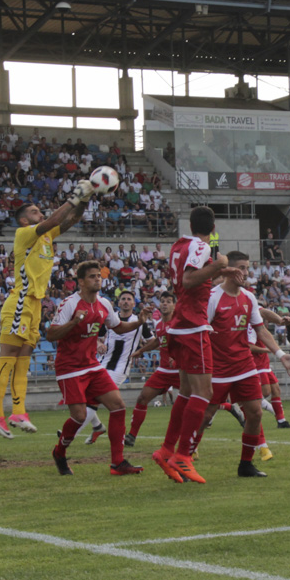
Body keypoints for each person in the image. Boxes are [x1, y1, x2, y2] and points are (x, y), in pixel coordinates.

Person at [0, 179, 93, 438]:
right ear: (24, 220)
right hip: (19, 301)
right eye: (34, 212)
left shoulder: (46, 236)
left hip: (34, 304)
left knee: (23, 360)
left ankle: (19, 412)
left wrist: (85, 199)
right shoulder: (24, 234)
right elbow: (55, 220)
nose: (40, 214)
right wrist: (73, 196)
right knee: (8, 358)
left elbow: (71, 220)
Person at [192, 251, 290, 477]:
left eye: (247, 268)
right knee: (205, 416)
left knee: (255, 413)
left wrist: (281, 354)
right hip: (218, 370)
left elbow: (261, 330)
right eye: (241, 268)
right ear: (228, 270)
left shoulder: (249, 297)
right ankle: (186, 455)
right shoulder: (213, 297)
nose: (245, 272)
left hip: (244, 366)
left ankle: (246, 464)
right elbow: (202, 332)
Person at [153, 206, 240, 485]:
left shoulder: (179, 245)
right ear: (213, 228)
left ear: (190, 225)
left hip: (180, 324)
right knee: (205, 392)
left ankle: (166, 450)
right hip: (194, 325)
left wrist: (220, 271)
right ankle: (183, 455)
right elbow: (190, 281)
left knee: (187, 392)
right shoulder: (202, 246)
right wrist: (217, 265)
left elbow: (187, 279)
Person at [46, 261, 149, 476]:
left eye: (99, 276)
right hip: (70, 368)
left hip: (92, 366)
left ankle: (117, 463)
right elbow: (51, 334)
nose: (97, 280)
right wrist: (74, 323)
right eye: (92, 276)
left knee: (118, 406)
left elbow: (118, 327)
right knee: (80, 416)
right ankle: (60, 452)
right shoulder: (69, 304)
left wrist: (139, 322)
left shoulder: (104, 304)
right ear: (81, 282)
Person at [84, 291, 152, 445]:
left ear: (134, 304)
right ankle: (97, 427)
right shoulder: (110, 319)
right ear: (118, 303)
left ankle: (71, 432)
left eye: (129, 299)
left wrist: (140, 351)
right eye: (123, 299)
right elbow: (94, 337)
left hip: (119, 369)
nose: (126, 301)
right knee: (87, 397)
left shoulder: (139, 322)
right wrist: (99, 343)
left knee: (94, 399)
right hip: (101, 365)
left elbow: (153, 341)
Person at [125, 291, 179, 447]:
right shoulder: (160, 324)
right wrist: (141, 351)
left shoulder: (179, 323)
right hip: (163, 371)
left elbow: (189, 343)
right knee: (142, 398)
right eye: (163, 301)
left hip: (181, 371)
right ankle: (132, 436)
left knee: (196, 403)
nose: (165, 304)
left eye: (169, 301)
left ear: (174, 305)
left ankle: (228, 409)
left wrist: (178, 357)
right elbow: (158, 341)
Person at [249, 308, 290, 432]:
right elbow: (249, 347)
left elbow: (264, 311)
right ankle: (243, 401)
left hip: (264, 363)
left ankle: (281, 421)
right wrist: (269, 350)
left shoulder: (256, 313)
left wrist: (280, 320)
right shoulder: (250, 326)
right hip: (256, 363)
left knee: (276, 390)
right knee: (265, 392)